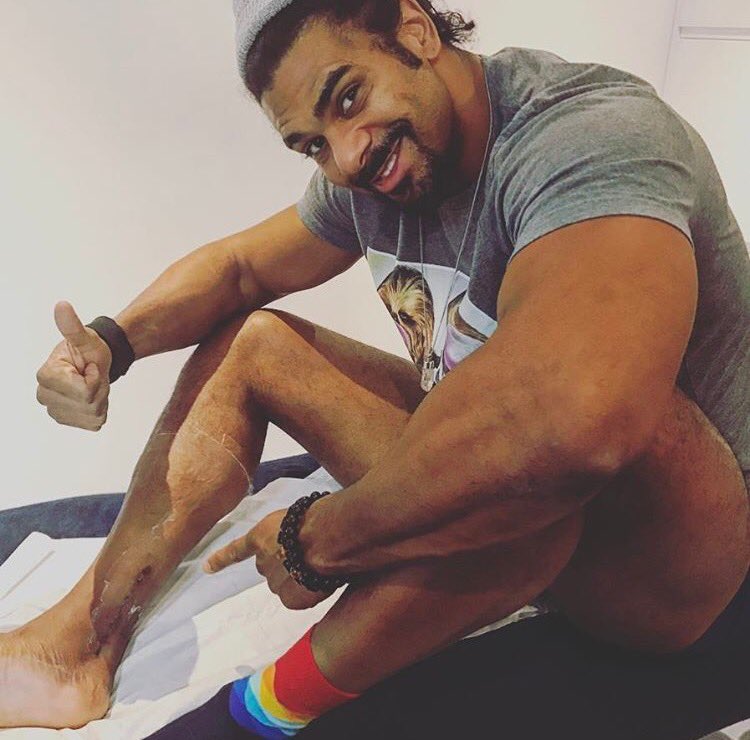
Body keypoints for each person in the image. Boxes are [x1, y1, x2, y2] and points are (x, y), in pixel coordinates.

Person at [2, 0, 748, 736]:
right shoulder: (375, 166)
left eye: (348, 97)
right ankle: (76, 645)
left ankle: (254, 715)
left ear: (415, 30)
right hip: (537, 503)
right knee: (258, 343)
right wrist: (111, 343)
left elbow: (571, 426)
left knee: (531, 441)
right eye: (312, 143)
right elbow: (239, 270)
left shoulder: (589, 135)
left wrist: (317, 539)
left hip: (688, 573)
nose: (347, 155)